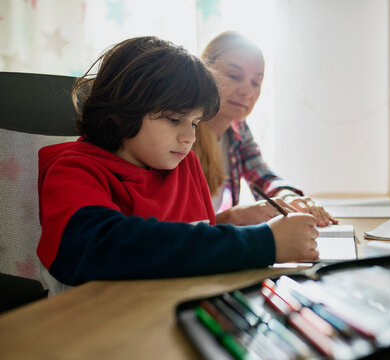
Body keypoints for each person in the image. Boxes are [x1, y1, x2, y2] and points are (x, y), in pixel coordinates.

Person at [36, 36, 319, 295]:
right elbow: (99, 247)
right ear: (122, 113)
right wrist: (262, 243)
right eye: (174, 119)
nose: (189, 137)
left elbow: (202, 249)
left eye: (195, 122)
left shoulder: (186, 166)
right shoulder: (72, 170)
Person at [192, 31, 338, 227]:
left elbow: (261, 174)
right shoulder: (183, 133)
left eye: (256, 82)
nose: (247, 91)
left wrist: (287, 196)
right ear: (204, 73)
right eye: (235, 76)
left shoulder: (238, 128)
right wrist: (231, 218)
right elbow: (176, 230)